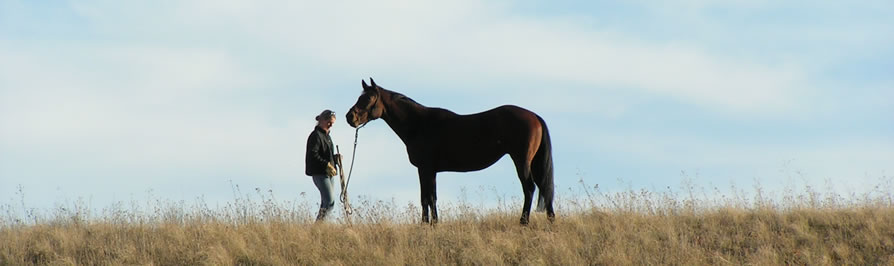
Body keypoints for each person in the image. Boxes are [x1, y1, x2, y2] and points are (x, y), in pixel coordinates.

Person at [305, 109, 341, 221]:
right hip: (320, 173)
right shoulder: (315, 136)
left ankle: (319, 227)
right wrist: (326, 165)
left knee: (326, 202)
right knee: (330, 202)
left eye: (332, 123)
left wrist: (335, 159)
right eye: (329, 122)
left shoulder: (327, 137)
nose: (331, 125)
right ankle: (319, 226)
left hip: (328, 173)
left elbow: (325, 155)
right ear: (322, 120)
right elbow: (313, 154)